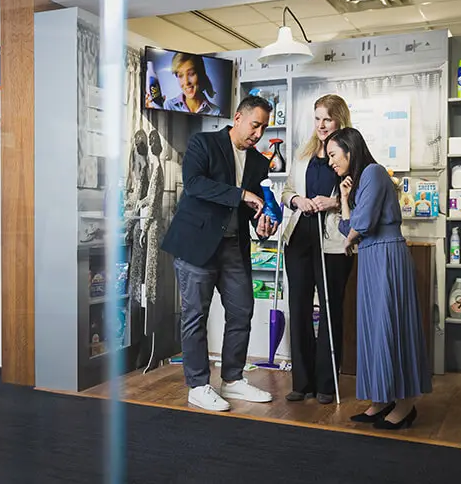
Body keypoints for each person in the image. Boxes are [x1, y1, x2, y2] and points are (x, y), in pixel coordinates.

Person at [161, 95, 278, 412]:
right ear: (238, 118)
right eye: (255, 125)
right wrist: (241, 194)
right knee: (195, 316)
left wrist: (262, 225)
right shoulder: (204, 143)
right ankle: (198, 386)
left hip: (233, 247)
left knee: (242, 310)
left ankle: (232, 379)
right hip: (196, 245)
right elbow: (195, 184)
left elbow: (252, 209)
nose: (258, 134)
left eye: (264, 128)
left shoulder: (257, 161)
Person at [326, 127, 432, 430]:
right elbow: (349, 230)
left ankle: (406, 403)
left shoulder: (373, 172)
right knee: (373, 328)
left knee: (391, 325)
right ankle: (382, 399)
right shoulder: (359, 182)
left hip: (386, 255)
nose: (332, 161)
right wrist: (345, 198)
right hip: (372, 256)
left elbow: (360, 225)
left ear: (350, 150)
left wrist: (352, 232)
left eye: (334, 155)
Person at [280, 94, 354, 405]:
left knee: (330, 309)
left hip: (333, 242)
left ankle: (326, 383)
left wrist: (334, 202)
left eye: (327, 119)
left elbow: (361, 194)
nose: (321, 125)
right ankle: (302, 382)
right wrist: (297, 200)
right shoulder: (302, 155)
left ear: (340, 120)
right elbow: (286, 191)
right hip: (299, 236)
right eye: (317, 118)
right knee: (297, 308)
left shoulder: (350, 154)